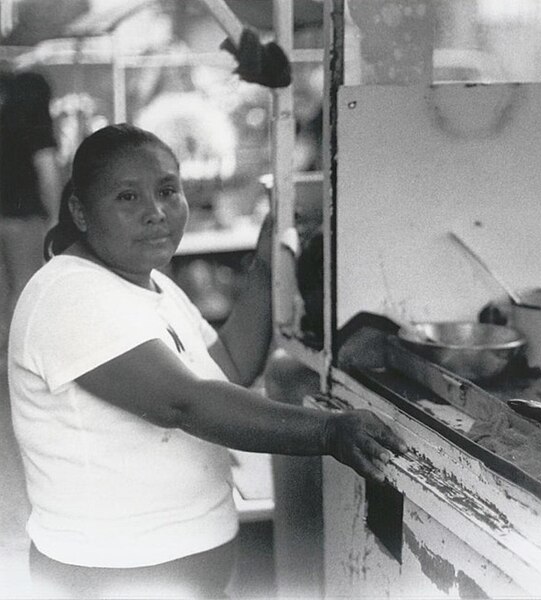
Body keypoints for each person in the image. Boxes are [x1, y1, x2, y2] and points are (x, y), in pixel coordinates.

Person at [7, 123, 406, 599]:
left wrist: (266, 260)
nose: (156, 213)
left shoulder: (148, 284)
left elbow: (229, 366)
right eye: (127, 198)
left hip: (168, 571)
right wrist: (328, 431)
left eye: (167, 191)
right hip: (111, 573)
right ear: (81, 210)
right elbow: (184, 403)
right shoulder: (70, 293)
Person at [0, 69, 62, 359]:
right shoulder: (30, 95)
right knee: (24, 287)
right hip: (21, 211)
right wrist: (56, 216)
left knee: (6, 291)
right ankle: (18, 361)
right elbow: (46, 167)